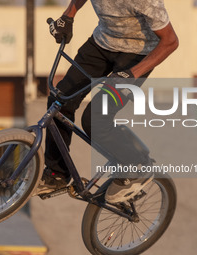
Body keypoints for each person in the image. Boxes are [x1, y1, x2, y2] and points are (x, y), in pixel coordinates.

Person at [36, 0, 179, 203]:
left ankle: (136, 166)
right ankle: (57, 174)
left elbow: (171, 41)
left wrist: (132, 74)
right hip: (101, 45)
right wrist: (68, 15)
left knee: (95, 119)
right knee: (58, 101)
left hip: (137, 56)